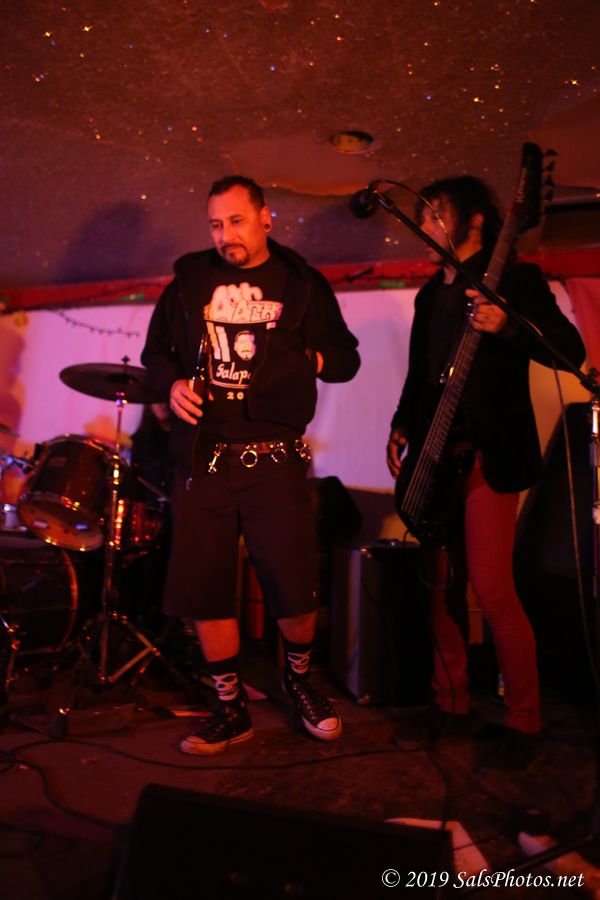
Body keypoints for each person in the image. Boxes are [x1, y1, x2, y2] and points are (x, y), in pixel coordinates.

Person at [141, 175, 360, 754]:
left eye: (236, 221)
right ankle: (230, 706)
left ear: (266, 218)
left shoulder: (301, 283)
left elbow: (345, 358)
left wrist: (307, 360)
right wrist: (171, 384)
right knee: (206, 586)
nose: (225, 236)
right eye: (216, 225)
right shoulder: (190, 281)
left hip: (274, 458)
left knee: (293, 583)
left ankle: (300, 680)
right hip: (205, 458)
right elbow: (155, 355)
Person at [386, 175, 586, 768]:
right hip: (435, 455)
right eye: (423, 216)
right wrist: (401, 424)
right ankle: (448, 703)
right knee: (440, 586)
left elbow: (569, 349)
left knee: (493, 590)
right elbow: (420, 374)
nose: (424, 226)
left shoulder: (515, 280)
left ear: (473, 221)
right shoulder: (430, 295)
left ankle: (524, 720)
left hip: (489, 457)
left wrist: (510, 326)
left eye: (434, 214)